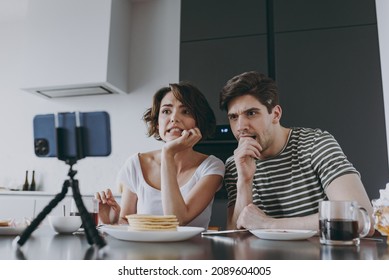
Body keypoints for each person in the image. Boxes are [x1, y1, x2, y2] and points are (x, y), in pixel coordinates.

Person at [219, 71, 374, 235]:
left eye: (251, 113)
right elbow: (235, 234)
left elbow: (362, 219)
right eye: (234, 117)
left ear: (276, 114)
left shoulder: (316, 144)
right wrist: (244, 180)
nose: (240, 126)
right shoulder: (235, 164)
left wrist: (269, 224)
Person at [96, 82, 225, 229]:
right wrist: (112, 221)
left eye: (186, 111)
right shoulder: (135, 164)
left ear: (198, 122)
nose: (174, 118)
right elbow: (126, 223)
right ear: (157, 123)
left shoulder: (211, 166)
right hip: (143, 251)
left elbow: (177, 220)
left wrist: (168, 154)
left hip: (192, 251)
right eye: (166, 111)